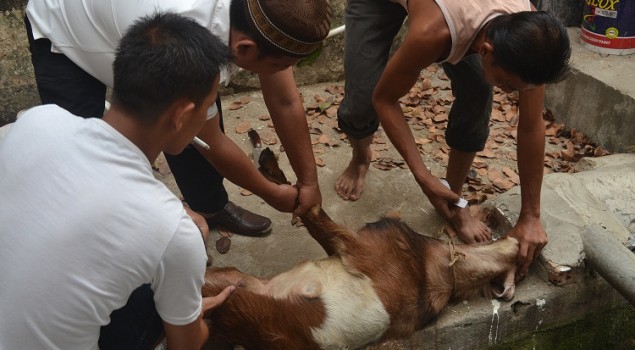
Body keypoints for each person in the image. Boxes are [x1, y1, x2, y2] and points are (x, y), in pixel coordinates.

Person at [0, 12, 251, 349]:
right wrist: (193, 319)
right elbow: (185, 346)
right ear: (180, 116)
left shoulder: (40, 119)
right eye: (208, 108)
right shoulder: (174, 230)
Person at [24, 0, 330, 237]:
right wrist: (273, 193)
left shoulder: (263, 17)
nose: (281, 72)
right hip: (66, 30)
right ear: (244, 48)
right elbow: (212, 141)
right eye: (279, 66)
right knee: (86, 158)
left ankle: (210, 206)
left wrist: (309, 180)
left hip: (127, 16)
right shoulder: (185, 33)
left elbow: (285, 100)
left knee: (190, 123)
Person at [335, 0, 571, 277]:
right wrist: (423, 177)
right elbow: (385, 100)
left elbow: (531, 127)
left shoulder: (531, 32)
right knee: (363, 102)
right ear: (486, 50)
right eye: (508, 84)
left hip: (460, 12)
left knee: (478, 92)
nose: (509, 93)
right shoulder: (432, 32)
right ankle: (360, 157)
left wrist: (531, 215)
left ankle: (452, 199)